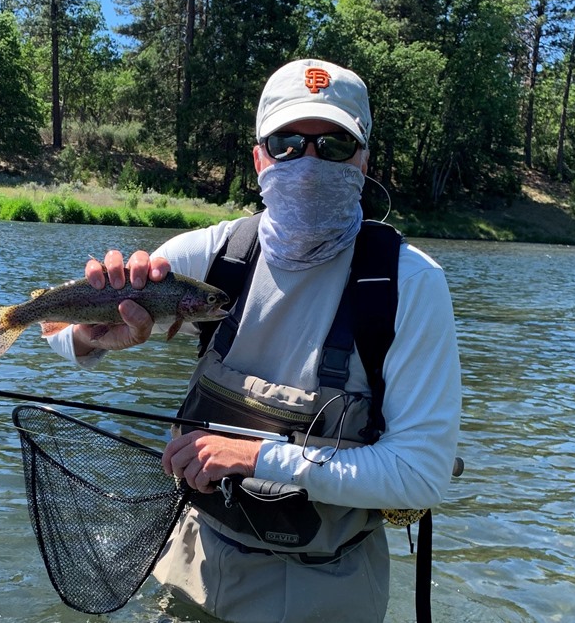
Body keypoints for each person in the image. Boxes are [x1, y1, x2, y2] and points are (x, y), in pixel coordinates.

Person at [47, 58, 462, 623]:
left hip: (330, 591)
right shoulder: (217, 255)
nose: (309, 160)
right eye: (288, 142)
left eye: (334, 145)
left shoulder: (408, 284)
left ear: (363, 160)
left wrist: (256, 457)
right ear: (259, 158)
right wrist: (96, 338)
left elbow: (421, 476)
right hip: (191, 566)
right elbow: (60, 339)